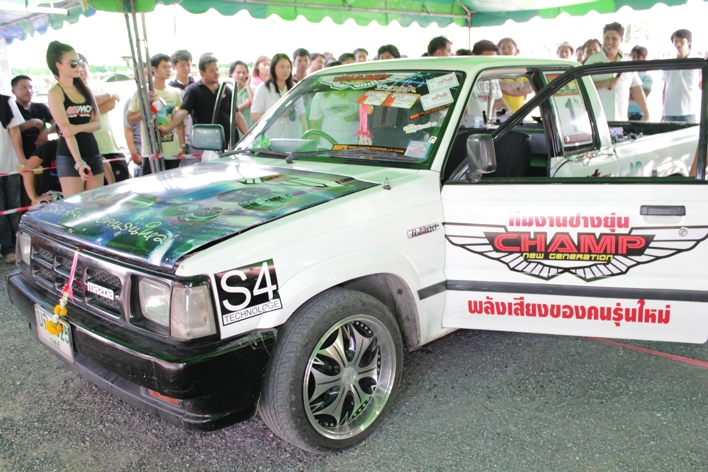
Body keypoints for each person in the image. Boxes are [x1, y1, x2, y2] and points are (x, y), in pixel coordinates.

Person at [45, 41, 103, 199]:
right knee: (75, 207)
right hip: (69, 156)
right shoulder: (55, 92)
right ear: (58, 66)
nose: (78, 67)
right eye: (73, 64)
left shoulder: (86, 89)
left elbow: (97, 123)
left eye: (79, 62)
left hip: (92, 151)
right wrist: (79, 162)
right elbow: (66, 132)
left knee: (95, 204)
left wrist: (77, 128)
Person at [161, 54, 248, 151]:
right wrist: (167, 129)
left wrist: (249, 136)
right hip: (206, 144)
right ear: (202, 73)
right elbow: (182, 111)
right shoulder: (194, 90)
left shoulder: (226, 89)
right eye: (212, 70)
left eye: (217, 69)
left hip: (229, 142)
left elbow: (237, 115)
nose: (216, 73)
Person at [127, 53, 185, 175]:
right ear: (154, 69)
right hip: (151, 151)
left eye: (169, 67)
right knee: (149, 185)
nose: (168, 70)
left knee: (174, 185)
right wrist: (147, 107)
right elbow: (130, 119)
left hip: (172, 151)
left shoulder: (175, 93)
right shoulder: (142, 93)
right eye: (164, 67)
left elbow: (179, 122)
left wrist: (182, 145)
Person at [585, 22, 649, 122]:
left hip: (621, 120)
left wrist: (646, 113)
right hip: (598, 121)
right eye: (607, 38)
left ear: (621, 40)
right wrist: (604, 83)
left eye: (614, 39)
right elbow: (582, 87)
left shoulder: (627, 61)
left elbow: (637, 89)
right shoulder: (591, 61)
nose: (609, 42)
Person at [78, 54, 125, 184]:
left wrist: (86, 110)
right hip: (88, 151)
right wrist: (107, 96)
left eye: (83, 66)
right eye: (77, 66)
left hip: (110, 147)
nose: (81, 70)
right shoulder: (71, 92)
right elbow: (86, 105)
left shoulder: (99, 85)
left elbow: (112, 103)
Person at [251, 53, 306, 139]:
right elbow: (254, 116)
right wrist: (276, 113)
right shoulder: (263, 89)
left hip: (293, 139)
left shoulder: (296, 88)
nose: (285, 70)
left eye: (288, 67)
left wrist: (306, 136)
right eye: (282, 67)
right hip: (270, 140)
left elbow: (302, 115)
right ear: (273, 68)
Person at [0, 92, 27, 263]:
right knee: (1, 210)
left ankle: (20, 246)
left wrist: (22, 160)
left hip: (10, 165)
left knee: (15, 207)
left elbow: (15, 130)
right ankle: (7, 248)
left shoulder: (6, 101)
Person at [663, 29, 702, 122]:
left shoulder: (697, 62)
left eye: (682, 41)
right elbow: (665, 87)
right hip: (669, 111)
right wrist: (663, 110)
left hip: (689, 111)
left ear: (689, 42)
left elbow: (702, 85)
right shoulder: (668, 62)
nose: (678, 44)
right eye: (675, 41)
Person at [11, 75, 54, 159]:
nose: (29, 91)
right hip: (19, 157)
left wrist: (47, 131)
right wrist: (32, 123)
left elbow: (57, 123)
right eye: (23, 87)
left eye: (31, 87)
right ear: (13, 91)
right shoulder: (10, 109)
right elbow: (10, 131)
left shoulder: (41, 107)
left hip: (42, 155)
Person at [497, 38, 533, 113]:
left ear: (516, 50)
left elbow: (530, 88)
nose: (506, 50)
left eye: (510, 47)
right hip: (500, 113)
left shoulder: (522, 68)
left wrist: (508, 89)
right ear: (499, 51)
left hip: (519, 113)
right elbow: (499, 86)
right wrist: (520, 85)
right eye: (503, 48)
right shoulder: (496, 68)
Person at [21, 139, 62, 204]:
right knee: (44, 204)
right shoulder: (49, 146)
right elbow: (27, 170)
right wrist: (34, 197)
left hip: (74, 192)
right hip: (52, 193)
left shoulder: (79, 147)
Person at [628, 46, 653, 121]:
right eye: (633, 56)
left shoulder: (647, 77)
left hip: (639, 115)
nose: (634, 59)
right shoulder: (626, 74)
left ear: (643, 58)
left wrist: (631, 92)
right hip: (624, 114)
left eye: (637, 57)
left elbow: (644, 94)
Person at [230, 60, 254, 129]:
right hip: (234, 132)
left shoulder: (252, 89)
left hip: (251, 130)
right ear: (231, 74)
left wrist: (248, 86)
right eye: (238, 72)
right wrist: (245, 104)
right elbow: (231, 112)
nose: (241, 75)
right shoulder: (228, 90)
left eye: (244, 73)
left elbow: (256, 106)